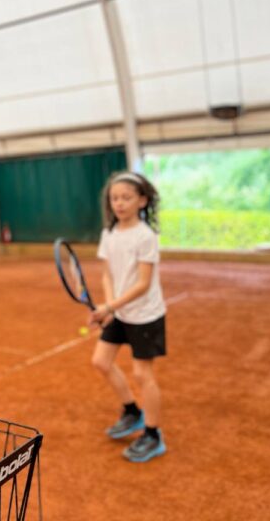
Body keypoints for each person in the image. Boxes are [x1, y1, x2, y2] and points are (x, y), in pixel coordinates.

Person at [89, 171, 167, 463]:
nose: (119, 203)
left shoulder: (145, 236)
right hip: (120, 311)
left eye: (126, 197)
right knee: (101, 361)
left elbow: (143, 283)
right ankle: (133, 412)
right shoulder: (108, 234)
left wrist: (110, 308)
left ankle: (153, 434)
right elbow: (108, 273)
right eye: (114, 198)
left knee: (142, 374)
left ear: (142, 200)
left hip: (146, 314)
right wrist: (110, 305)